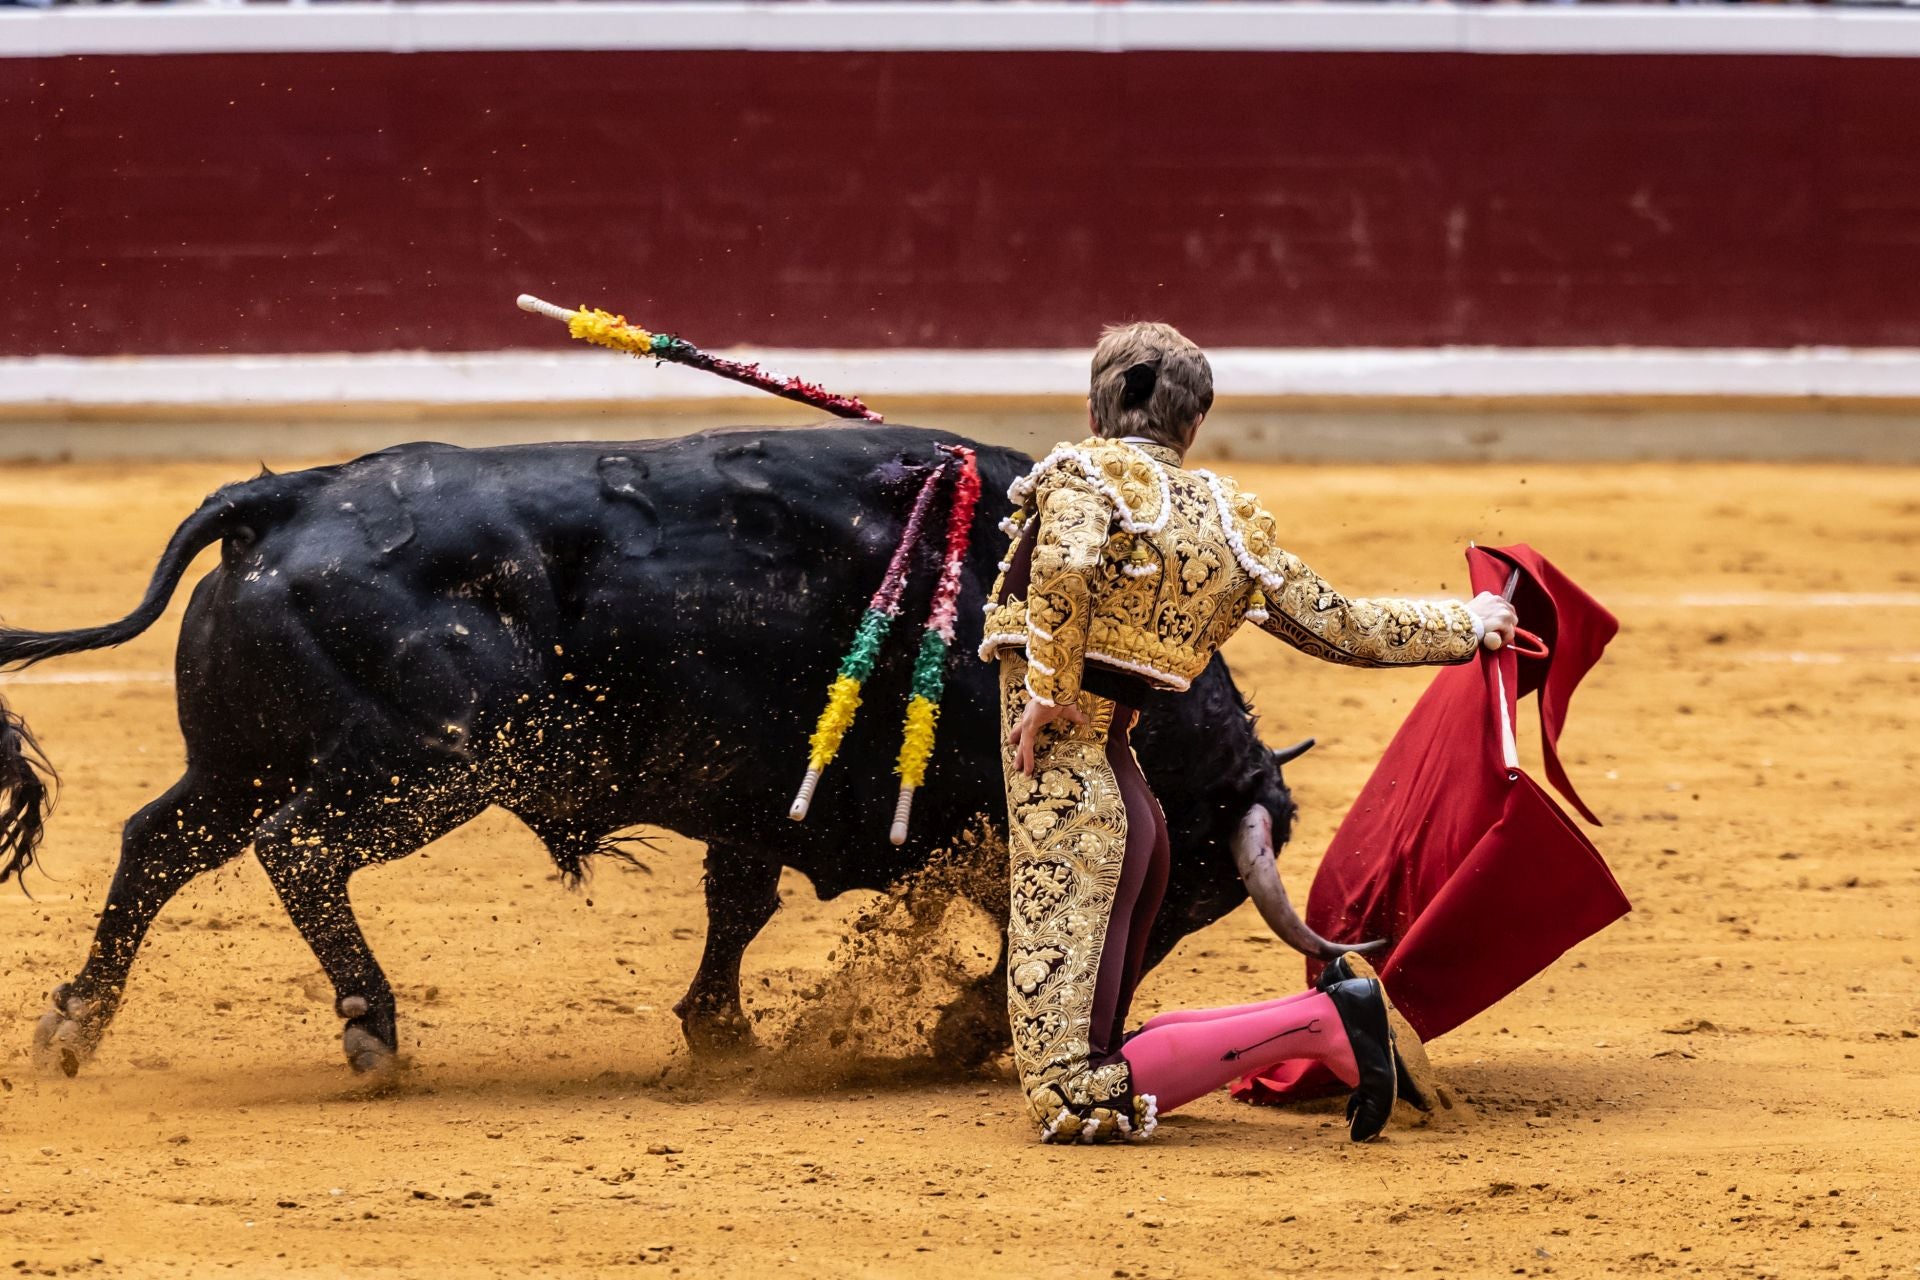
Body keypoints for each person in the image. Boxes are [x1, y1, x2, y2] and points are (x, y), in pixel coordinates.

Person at [980, 322, 1516, 1144]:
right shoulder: (1226, 522)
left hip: (1075, 801)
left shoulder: (1085, 475)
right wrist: (1466, 623)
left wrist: (1050, 688)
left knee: (1069, 1090)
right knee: (1099, 1052)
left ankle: (1324, 1021)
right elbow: (1346, 626)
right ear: (1193, 425)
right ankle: (1315, 1021)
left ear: (1097, 408)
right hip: (1132, 811)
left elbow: (1064, 564)